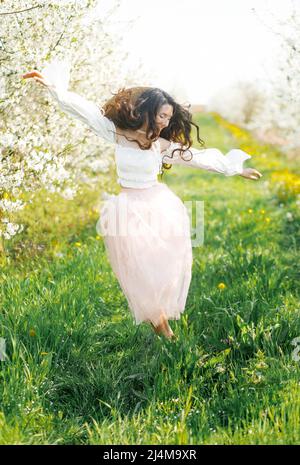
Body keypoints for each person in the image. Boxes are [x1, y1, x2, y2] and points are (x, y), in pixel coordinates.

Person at [22, 59, 262, 341]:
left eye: (169, 118)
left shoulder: (161, 146)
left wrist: (235, 169)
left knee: (161, 268)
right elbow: (84, 111)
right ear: (147, 112)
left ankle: (163, 325)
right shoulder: (117, 134)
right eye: (161, 116)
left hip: (159, 207)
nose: (165, 122)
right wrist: (55, 88)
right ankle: (163, 329)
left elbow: (197, 159)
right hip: (127, 209)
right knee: (139, 273)